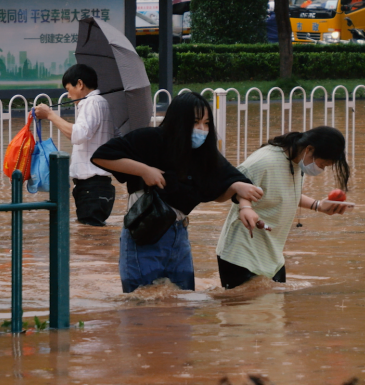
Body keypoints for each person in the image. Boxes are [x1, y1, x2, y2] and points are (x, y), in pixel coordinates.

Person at [91, 92, 263, 293]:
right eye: (196, 122)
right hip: (144, 233)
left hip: (179, 237)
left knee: (183, 305)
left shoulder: (205, 154)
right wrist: (144, 170)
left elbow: (226, 186)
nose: (202, 130)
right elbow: (101, 156)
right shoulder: (150, 139)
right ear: (180, 120)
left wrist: (243, 202)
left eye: (206, 124)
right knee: (141, 304)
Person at [215, 127, 351, 289]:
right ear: (309, 149)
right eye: (322, 164)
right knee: (242, 310)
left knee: (275, 311)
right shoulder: (263, 161)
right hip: (241, 254)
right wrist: (246, 207)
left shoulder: (296, 161)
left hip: (272, 256)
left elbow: (282, 192)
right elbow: (232, 185)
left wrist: (319, 205)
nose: (321, 169)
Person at [35, 64, 116, 226]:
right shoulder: (101, 103)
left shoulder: (91, 102)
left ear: (80, 84)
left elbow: (78, 135)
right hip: (98, 186)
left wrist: (50, 115)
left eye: (68, 89)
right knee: (92, 237)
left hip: (92, 187)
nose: (69, 95)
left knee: (89, 239)